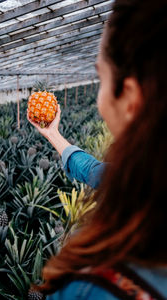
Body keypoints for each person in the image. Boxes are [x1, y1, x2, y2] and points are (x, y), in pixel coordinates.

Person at [27, 0, 167, 299]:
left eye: (101, 77)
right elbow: (97, 172)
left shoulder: (95, 287)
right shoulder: (145, 182)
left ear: (129, 98)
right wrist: (54, 135)